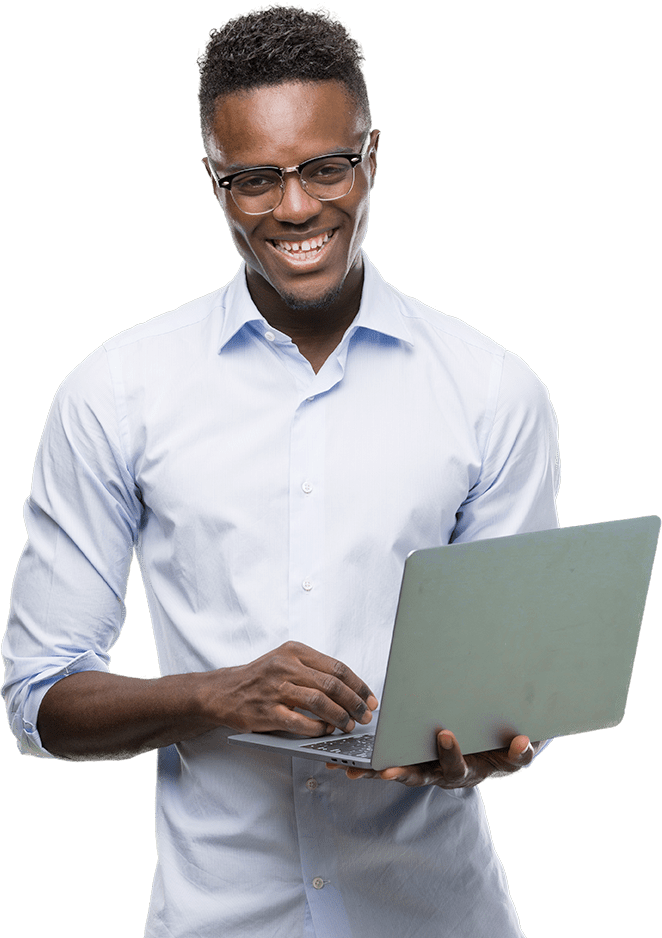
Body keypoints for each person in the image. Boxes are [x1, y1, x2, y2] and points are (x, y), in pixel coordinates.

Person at [2, 5, 560, 937]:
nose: (294, 208)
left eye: (325, 167)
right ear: (215, 181)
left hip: (437, 914)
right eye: (253, 179)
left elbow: (516, 690)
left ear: (371, 156)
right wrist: (220, 695)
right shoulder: (116, 391)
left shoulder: (491, 388)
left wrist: (499, 742)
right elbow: (40, 700)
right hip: (221, 919)